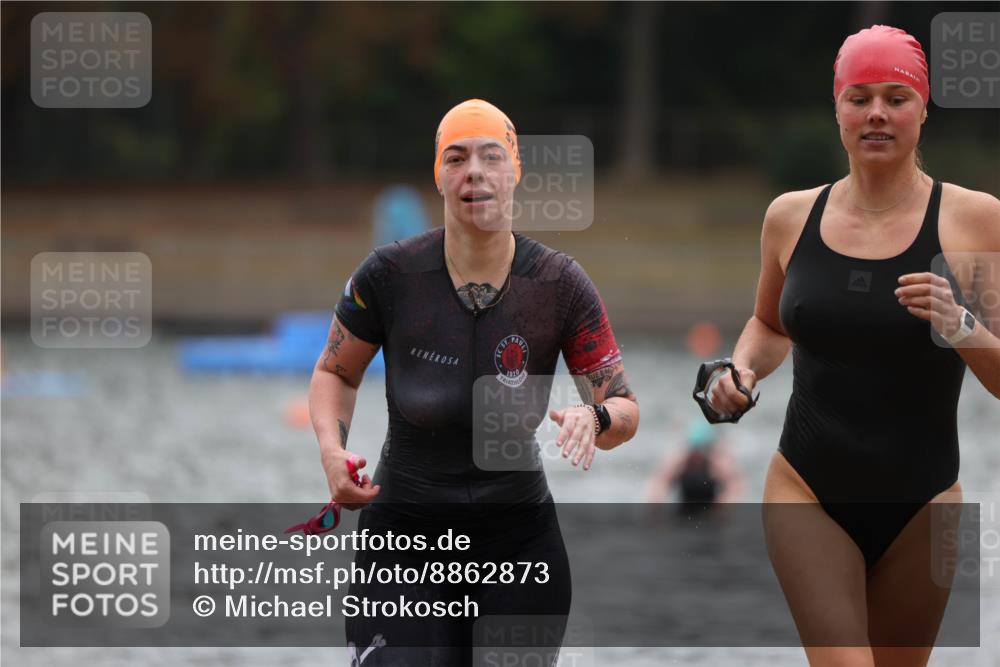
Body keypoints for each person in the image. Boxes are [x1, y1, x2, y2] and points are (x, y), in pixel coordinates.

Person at [704, 25, 999, 667]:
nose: (877, 114)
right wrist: (741, 371)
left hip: (925, 502)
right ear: (836, 107)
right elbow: (770, 325)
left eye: (896, 97)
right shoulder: (790, 216)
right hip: (807, 490)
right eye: (859, 97)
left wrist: (961, 324)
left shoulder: (973, 220)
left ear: (925, 107)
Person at [309, 99, 640, 666]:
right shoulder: (389, 275)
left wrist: (597, 416)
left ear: (515, 171)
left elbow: (624, 408)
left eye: (491, 157)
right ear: (438, 175)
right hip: (402, 544)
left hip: (518, 547)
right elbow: (335, 371)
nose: (474, 174)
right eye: (456, 158)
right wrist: (332, 450)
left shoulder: (560, 284)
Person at [643, 420, 744, 506]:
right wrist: (657, 504)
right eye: (695, 450)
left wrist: (723, 506)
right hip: (685, 506)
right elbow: (659, 483)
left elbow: (734, 489)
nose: (697, 455)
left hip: (711, 507)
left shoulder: (718, 462)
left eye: (701, 450)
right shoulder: (680, 460)